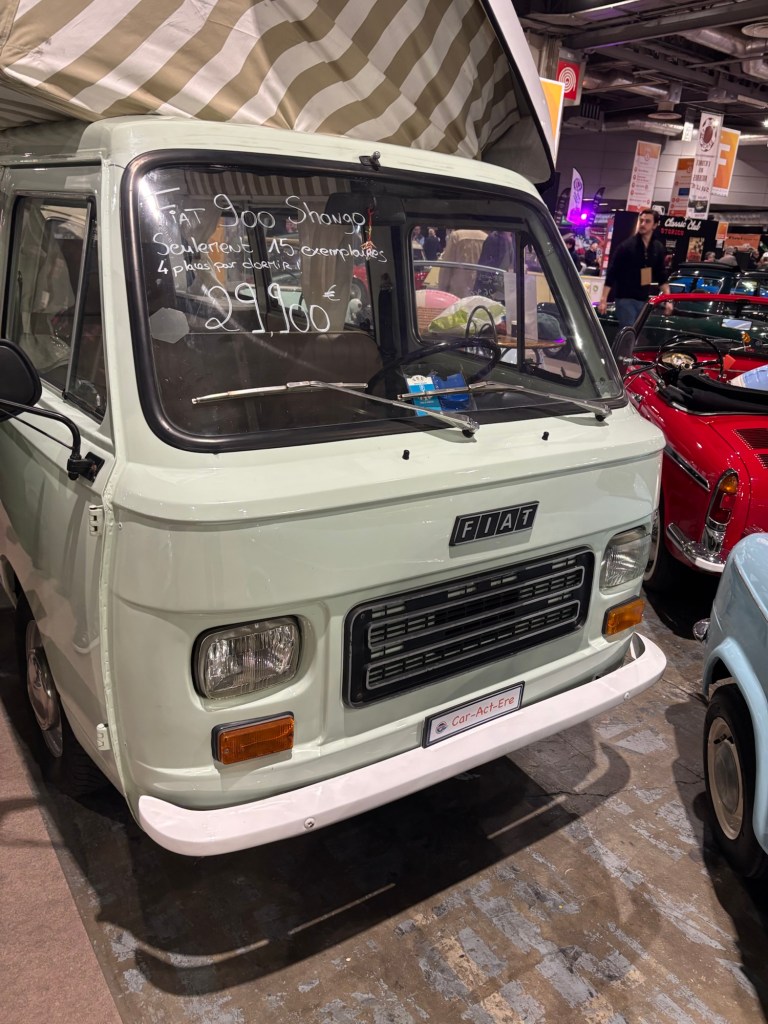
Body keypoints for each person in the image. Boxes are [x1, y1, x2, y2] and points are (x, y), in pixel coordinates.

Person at [597, 209, 670, 327]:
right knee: (629, 330)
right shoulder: (626, 247)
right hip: (625, 298)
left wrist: (668, 300)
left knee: (638, 332)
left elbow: (661, 275)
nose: (643, 224)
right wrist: (603, 299)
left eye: (647, 221)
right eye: (641, 221)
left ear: (655, 225)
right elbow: (612, 272)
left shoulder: (657, 248)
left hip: (643, 299)